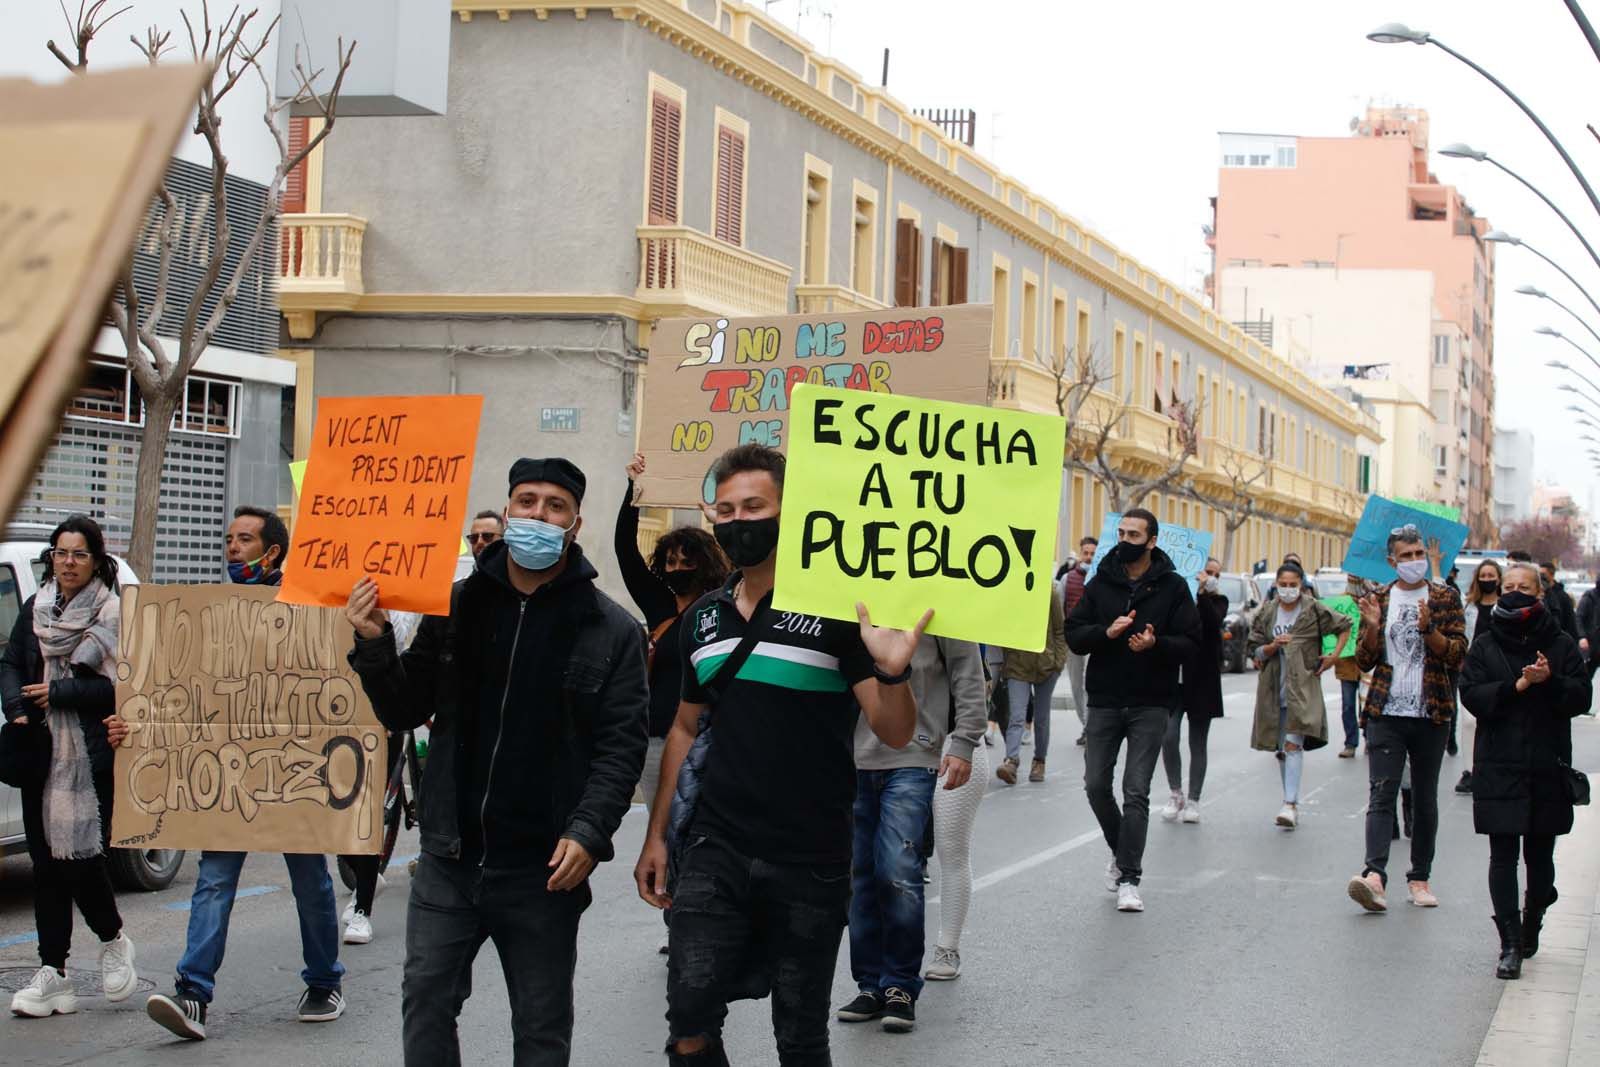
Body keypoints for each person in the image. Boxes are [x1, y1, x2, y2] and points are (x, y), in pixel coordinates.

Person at [632, 444, 930, 1065]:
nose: (739, 521)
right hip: (715, 849)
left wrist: (893, 672)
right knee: (687, 1025)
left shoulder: (840, 611)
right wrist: (657, 835)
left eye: (754, 506)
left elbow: (894, 730)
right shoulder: (704, 620)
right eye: (726, 509)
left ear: (790, 512)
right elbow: (685, 730)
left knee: (799, 1038)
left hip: (811, 859)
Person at [345, 457, 647, 1065]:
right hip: (449, 859)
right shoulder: (453, 605)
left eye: (554, 506)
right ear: (507, 512)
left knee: (540, 1027)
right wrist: (374, 643)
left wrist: (588, 833)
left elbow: (621, 748)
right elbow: (405, 706)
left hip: (545, 870)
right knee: (426, 1001)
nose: (538, 514)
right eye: (526, 501)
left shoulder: (610, 629)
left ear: (575, 523)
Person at [126, 506, 346, 1040]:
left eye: (244, 539)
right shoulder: (209, 610)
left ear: (272, 552)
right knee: (214, 879)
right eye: (228, 539)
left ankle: (323, 982)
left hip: (292, 769)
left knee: (310, 882)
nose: (232, 548)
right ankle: (192, 994)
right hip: (228, 770)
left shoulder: (310, 608)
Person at [2, 516, 136, 1018]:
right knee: (45, 867)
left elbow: (121, 685)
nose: (69, 563)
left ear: (96, 559)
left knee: (81, 861)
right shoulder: (36, 608)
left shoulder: (113, 614)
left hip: (91, 752)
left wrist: (58, 692)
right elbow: (12, 661)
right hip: (39, 751)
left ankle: (113, 939)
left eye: (79, 554)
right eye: (61, 553)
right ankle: (53, 972)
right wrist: (16, 704)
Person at [615, 453, 730, 955]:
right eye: (671, 561)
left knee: (705, 825)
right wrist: (632, 490)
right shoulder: (658, 605)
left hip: (715, 738)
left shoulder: (727, 602)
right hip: (659, 738)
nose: (679, 567)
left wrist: (720, 514)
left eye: (689, 560)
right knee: (667, 826)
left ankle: (703, 911)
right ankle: (679, 914)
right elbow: (623, 550)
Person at [842, 633, 985, 1029]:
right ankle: (870, 984)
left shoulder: (937, 587)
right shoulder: (845, 590)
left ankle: (900, 985)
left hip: (914, 754)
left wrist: (964, 741)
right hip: (850, 758)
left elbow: (967, 670)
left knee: (899, 871)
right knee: (861, 876)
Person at [1459, 561, 1591, 980]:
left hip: (1545, 762)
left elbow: (1581, 697)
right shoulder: (1484, 644)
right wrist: (1515, 686)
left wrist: (1549, 680)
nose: (1514, 593)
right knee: (1502, 855)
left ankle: (1533, 917)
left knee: (1539, 856)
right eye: (1508, 586)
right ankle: (1510, 943)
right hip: (1499, 762)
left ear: (1540, 594)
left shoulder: (1561, 642)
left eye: (1524, 588)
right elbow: (1472, 695)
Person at [1065, 508, 1200, 913]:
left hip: (1151, 701)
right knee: (1094, 785)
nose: (1125, 540)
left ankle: (1129, 877)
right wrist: (1105, 633)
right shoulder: (1101, 580)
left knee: (1136, 790)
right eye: (1121, 532)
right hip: (1105, 699)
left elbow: (1192, 643)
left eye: (1134, 535)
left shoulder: (1173, 587)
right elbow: (1074, 634)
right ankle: (1121, 849)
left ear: (1152, 541)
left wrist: (1155, 645)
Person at [1346, 524, 1467, 913]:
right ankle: (1374, 876)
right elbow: (1364, 660)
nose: (1414, 561)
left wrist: (1429, 628)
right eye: (1406, 555)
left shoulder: (1445, 597)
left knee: (1425, 797)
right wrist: (1372, 628)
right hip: (1386, 710)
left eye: (1419, 554)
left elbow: (1457, 654)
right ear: (1391, 561)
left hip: (1432, 711)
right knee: (1381, 793)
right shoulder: (1377, 597)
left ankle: (1419, 878)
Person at [1248, 563, 1350, 830]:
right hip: (1274, 688)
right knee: (1283, 748)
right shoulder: (1268, 612)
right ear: (1276, 585)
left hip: (1303, 687)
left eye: (1293, 584)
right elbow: (1254, 650)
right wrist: (1272, 646)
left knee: (1294, 743)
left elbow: (1345, 625)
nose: (1288, 589)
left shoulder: (1313, 609)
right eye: (1284, 584)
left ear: (1301, 585)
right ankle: (1288, 799)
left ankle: (1290, 804)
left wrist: (1333, 657)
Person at [924, 643, 993, 983]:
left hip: (953, 741)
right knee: (886, 861)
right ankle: (885, 971)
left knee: (951, 850)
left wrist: (963, 744)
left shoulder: (954, 608)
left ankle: (947, 947)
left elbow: (973, 683)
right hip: (890, 744)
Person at [1161, 559, 1226, 824]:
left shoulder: (1218, 601)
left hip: (1202, 680)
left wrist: (1204, 594)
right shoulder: (1174, 597)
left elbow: (1212, 623)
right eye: (1205, 572)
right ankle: (1175, 792)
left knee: (1197, 742)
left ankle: (1194, 799)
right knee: (1168, 735)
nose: (1208, 576)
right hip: (1173, 680)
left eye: (1213, 574)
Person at [996, 577, 1067, 784]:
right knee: (1017, 715)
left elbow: (1060, 630)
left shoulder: (1050, 592)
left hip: (1046, 665)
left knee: (1041, 718)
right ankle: (1011, 760)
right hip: (1018, 665)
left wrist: (1058, 663)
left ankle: (1039, 761)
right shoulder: (1011, 591)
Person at [1456, 560, 1503, 794]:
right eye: (1483, 575)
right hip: (1472, 670)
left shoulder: (1505, 606)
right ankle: (1469, 771)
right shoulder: (1468, 607)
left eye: (1491, 575)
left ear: (1499, 578)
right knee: (1469, 722)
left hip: (1499, 670)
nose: (1487, 579)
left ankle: (1492, 767)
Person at [1060, 537, 1097, 747]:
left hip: (1095, 638)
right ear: (1080, 553)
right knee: (1075, 684)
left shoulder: (1102, 578)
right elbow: (1061, 606)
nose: (1089, 557)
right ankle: (1085, 723)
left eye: (1093, 553)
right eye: (1086, 553)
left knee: (1088, 684)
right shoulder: (1067, 579)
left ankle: (1089, 728)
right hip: (1073, 639)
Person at [1539, 561, 1581, 643]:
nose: (1540, 576)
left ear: (1552, 575)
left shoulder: (1562, 597)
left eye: (1543, 574)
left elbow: (1570, 623)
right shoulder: (1538, 594)